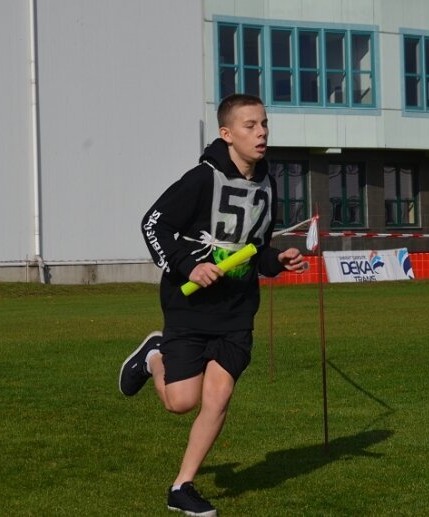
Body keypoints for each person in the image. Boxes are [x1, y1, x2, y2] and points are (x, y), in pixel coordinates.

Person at [119, 94, 304, 516]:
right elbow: (153, 224)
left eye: (264, 125)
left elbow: (254, 249)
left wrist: (278, 260)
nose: (261, 133)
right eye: (250, 126)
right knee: (181, 402)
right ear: (227, 134)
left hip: (237, 311)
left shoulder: (267, 184)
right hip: (190, 310)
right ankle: (154, 355)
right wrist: (188, 267)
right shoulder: (201, 179)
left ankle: (182, 486)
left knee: (219, 396)